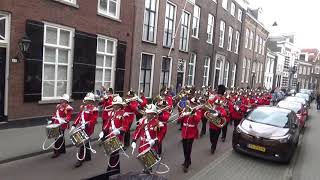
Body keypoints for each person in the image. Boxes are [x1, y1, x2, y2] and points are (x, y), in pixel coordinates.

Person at [99, 95, 130, 179]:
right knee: (113, 153)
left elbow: (126, 127)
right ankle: (116, 169)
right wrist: (103, 131)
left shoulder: (124, 114)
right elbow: (108, 123)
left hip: (118, 137)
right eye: (114, 104)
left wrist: (119, 131)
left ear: (120, 105)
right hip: (110, 135)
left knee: (114, 153)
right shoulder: (112, 112)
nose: (114, 106)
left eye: (116, 104)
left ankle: (111, 170)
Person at [131, 104, 165, 173]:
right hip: (142, 144)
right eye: (147, 113)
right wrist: (134, 140)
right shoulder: (143, 121)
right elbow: (138, 130)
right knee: (143, 160)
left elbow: (160, 135)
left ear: (154, 114)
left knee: (149, 163)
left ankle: (148, 173)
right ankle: (146, 170)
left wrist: (155, 140)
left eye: (150, 113)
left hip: (150, 146)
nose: (148, 115)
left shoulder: (157, 123)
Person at [70, 92, 98, 168]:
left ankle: (80, 159)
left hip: (88, 129)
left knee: (82, 143)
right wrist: (74, 125)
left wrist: (87, 124)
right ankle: (88, 156)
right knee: (86, 142)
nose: (87, 102)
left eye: (89, 100)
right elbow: (78, 117)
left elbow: (94, 120)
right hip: (81, 127)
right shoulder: (83, 108)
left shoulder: (94, 110)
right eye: (87, 100)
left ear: (92, 101)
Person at [177, 99, 202, 173]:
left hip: (192, 132)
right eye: (191, 103)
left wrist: (193, 114)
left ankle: (186, 164)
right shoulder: (186, 110)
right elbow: (179, 119)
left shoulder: (198, 111)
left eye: (194, 104)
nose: (192, 105)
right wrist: (183, 114)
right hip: (185, 132)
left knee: (188, 148)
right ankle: (188, 160)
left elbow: (197, 120)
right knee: (185, 148)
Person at [50, 94, 73, 158]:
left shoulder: (68, 108)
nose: (61, 101)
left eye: (62, 100)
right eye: (61, 100)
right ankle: (62, 150)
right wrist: (52, 119)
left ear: (66, 101)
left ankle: (57, 152)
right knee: (60, 137)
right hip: (56, 123)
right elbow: (55, 114)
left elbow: (68, 117)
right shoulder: (59, 106)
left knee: (58, 137)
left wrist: (65, 120)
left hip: (63, 124)